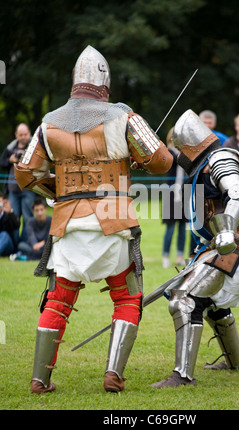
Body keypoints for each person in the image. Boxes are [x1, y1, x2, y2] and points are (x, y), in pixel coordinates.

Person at [14, 45, 173, 394]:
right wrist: (137, 160)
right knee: (128, 298)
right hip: (113, 219)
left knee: (58, 300)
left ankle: (40, 380)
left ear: (74, 81)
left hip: (67, 222)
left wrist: (58, 190)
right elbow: (162, 161)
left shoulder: (48, 122)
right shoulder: (124, 117)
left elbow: (25, 173)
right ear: (105, 81)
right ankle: (112, 374)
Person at [152, 109, 239, 388]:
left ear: (192, 145)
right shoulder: (208, 161)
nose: (179, 154)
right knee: (212, 302)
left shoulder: (221, 157)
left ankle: (182, 375)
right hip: (224, 246)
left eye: (181, 149)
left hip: (237, 246)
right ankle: (235, 362)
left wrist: (227, 232)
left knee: (184, 299)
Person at [0, 123, 36, 242]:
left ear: (29, 133)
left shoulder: (35, 146)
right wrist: (10, 160)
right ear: (16, 135)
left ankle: (25, 244)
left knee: (28, 218)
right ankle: (13, 244)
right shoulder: (11, 148)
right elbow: (2, 162)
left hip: (28, 188)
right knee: (12, 217)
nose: (23, 137)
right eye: (20, 135)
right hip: (13, 190)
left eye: (25, 134)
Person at [162, 127, 187, 268]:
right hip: (171, 193)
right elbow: (176, 161)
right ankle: (165, 256)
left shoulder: (185, 153)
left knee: (183, 227)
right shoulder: (168, 153)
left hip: (184, 192)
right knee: (170, 228)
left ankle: (179, 256)